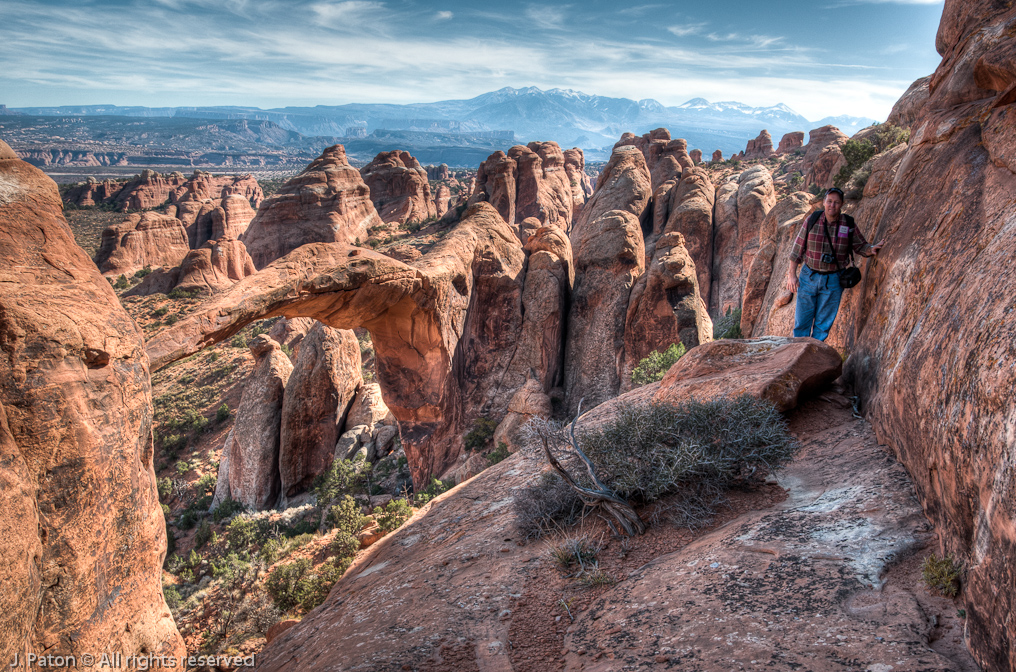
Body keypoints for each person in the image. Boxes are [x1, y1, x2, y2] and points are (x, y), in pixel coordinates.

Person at [785, 187, 885, 340]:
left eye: (836, 202)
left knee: (823, 325)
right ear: (824, 202)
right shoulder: (812, 220)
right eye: (829, 201)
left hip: (833, 280)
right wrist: (791, 275)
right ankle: (799, 355)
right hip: (809, 276)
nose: (832, 205)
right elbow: (797, 250)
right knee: (802, 322)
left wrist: (871, 249)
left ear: (842, 204)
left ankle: (814, 355)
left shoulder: (848, 223)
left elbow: (860, 245)